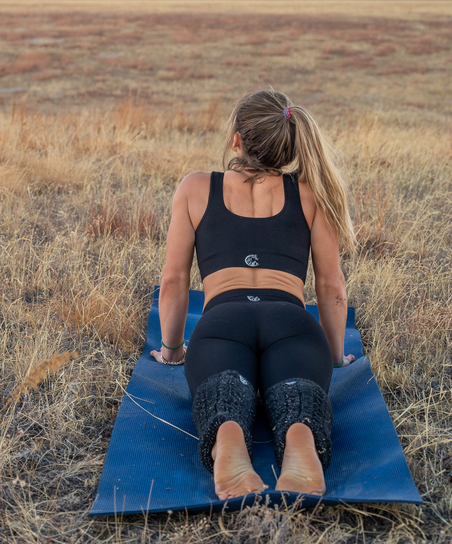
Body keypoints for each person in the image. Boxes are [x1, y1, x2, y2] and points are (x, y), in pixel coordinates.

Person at [150, 89, 356, 500]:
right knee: (298, 396)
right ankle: (299, 436)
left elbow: (173, 280)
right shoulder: (311, 193)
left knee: (223, 397)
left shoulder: (195, 188)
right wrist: (334, 356)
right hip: (293, 325)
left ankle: (228, 438)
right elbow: (331, 287)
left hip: (222, 324)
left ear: (236, 139)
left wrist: (172, 349)